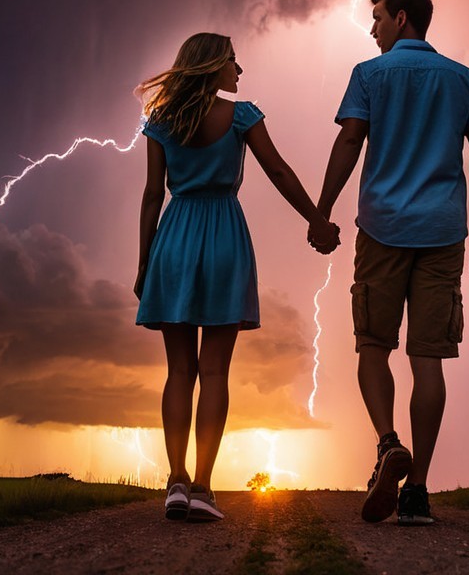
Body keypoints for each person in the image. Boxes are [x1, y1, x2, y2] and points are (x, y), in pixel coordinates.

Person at [312, 0, 469, 525]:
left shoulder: (369, 75)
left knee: (373, 342)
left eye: (376, 19)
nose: (372, 30)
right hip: (443, 232)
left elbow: (350, 141)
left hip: (382, 227)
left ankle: (387, 443)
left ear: (401, 18)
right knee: (429, 360)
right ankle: (417, 490)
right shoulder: (467, 79)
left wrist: (322, 210)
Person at [136, 32, 340, 523]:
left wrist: (144, 264)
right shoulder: (243, 115)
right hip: (225, 235)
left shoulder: (161, 122)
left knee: (179, 371)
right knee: (215, 372)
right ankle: (204, 486)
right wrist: (316, 219)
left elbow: (151, 196)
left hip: (175, 240)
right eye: (233, 61)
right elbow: (280, 172)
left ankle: (176, 481)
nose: (240, 70)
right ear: (214, 66)